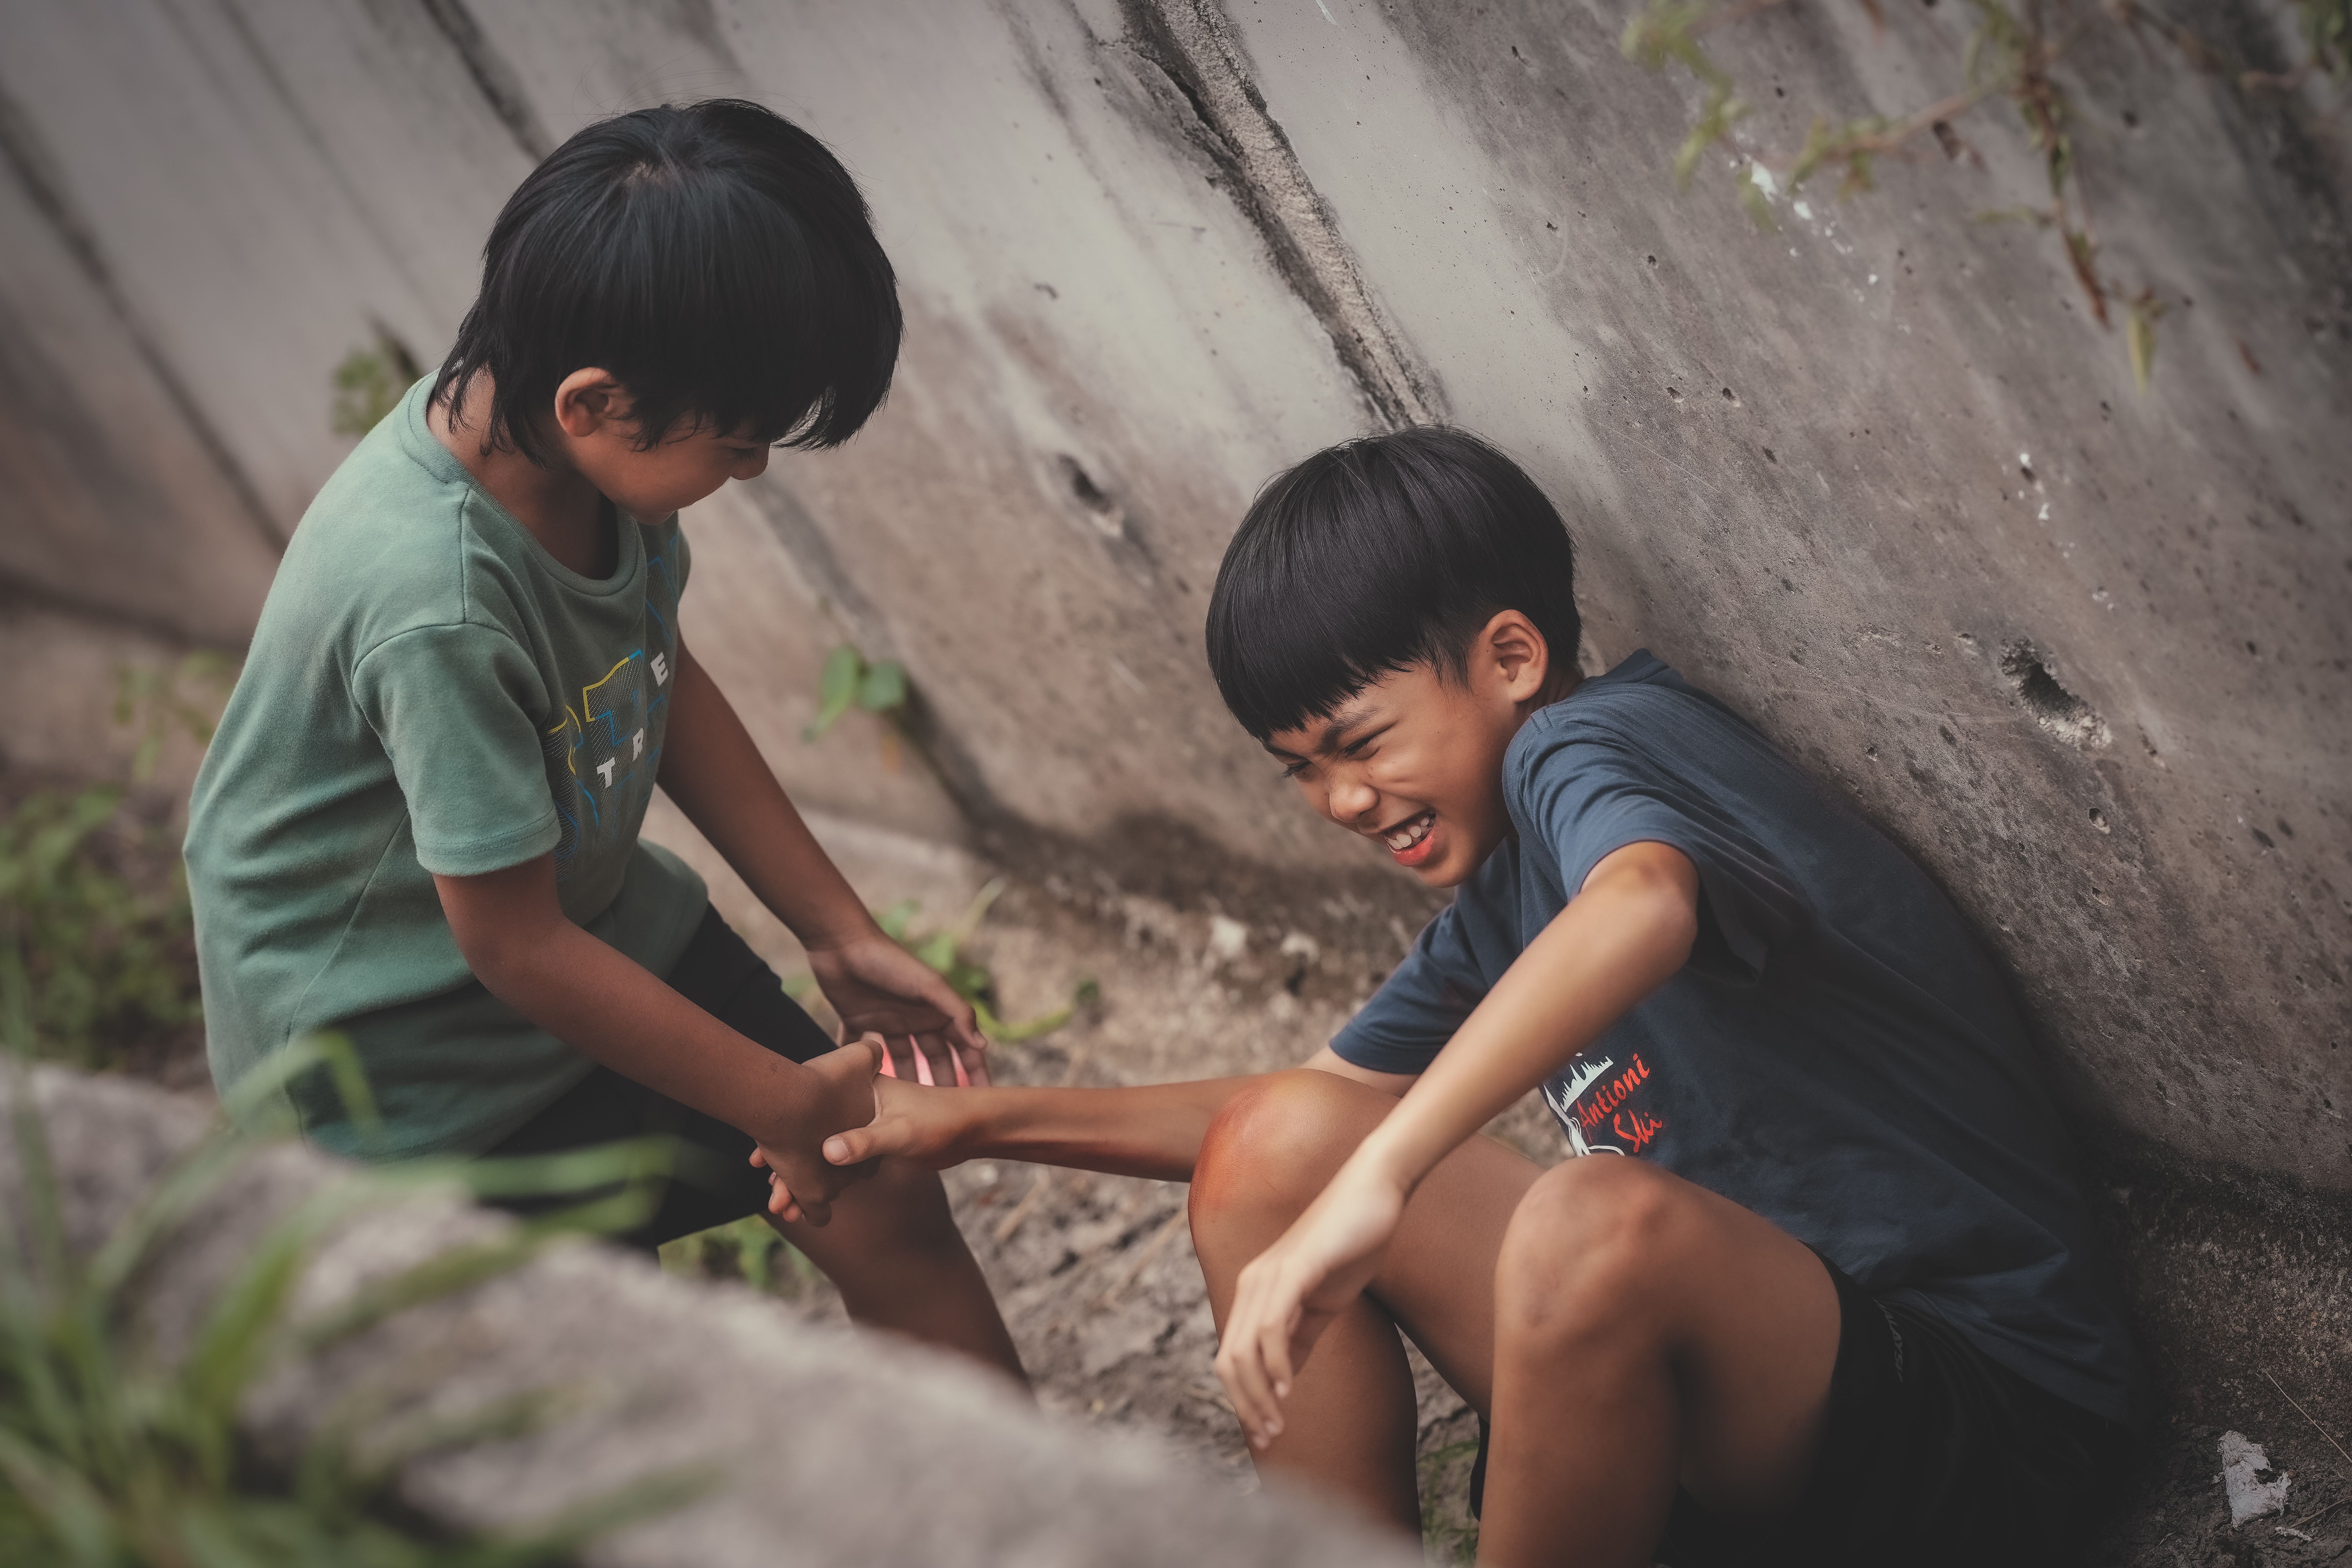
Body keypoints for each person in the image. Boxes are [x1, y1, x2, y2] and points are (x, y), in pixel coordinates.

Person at [805, 427, 2139, 1564]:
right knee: (1273, 1152)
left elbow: (1646, 904)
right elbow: (1304, 1109)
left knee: (1584, 1222)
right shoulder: (1505, 892)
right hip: (1740, 1427)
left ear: (1509, 657)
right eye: (1299, 771)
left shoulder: (1591, 746)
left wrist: (1386, 1177)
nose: (1338, 800)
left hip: (1981, 1421)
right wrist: (973, 1123)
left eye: (1361, 744)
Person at [184, 100, 1022, 1380]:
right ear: (595, 401)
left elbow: (655, 669)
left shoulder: (558, 440)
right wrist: (779, 1101)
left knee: (882, 1192)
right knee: (536, 1389)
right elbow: (510, 945)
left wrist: (837, 929)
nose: (746, 473)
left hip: (601, 937)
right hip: (398, 1068)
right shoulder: (434, 599)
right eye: (737, 442)